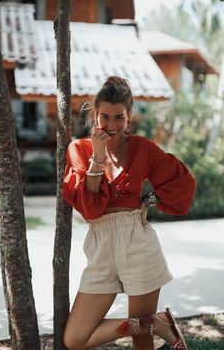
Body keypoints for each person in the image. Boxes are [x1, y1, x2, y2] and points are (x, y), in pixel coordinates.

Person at [62, 76, 196, 350]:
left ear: (130, 116)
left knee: (141, 340)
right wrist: (97, 159)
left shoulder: (142, 148)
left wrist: (149, 199)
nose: (111, 126)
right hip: (100, 245)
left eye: (119, 118)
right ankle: (155, 322)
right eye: (105, 118)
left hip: (137, 240)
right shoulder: (79, 149)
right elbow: (90, 207)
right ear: (95, 115)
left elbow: (182, 182)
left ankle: (148, 325)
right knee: (75, 339)